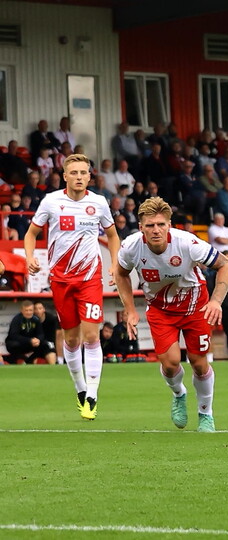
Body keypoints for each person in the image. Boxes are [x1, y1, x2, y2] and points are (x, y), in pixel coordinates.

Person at [114, 197, 228, 432]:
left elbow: (226, 265)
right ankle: (179, 394)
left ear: (169, 225)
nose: (156, 230)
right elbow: (120, 274)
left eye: (161, 224)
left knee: (199, 363)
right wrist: (129, 311)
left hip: (195, 306)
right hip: (160, 309)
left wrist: (216, 301)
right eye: (150, 225)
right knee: (170, 364)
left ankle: (205, 414)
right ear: (141, 228)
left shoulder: (188, 243)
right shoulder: (131, 247)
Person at [24, 153, 120, 420]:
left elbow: (113, 236)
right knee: (71, 339)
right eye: (74, 172)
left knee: (91, 336)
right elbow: (31, 233)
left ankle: (92, 395)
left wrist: (114, 264)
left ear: (90, 176)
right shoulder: (52, 202)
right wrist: (30, 257)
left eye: (83, 173)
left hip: (89, 278)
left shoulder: (99, 203)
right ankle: (80, 389)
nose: (79, 177)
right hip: (61, 280)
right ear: (64, 176)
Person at [5, 300, 55, 364]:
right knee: (14, 345)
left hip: (32, 343)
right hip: (18, 344)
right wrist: (29, 340)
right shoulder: (17, 319)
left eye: (30, 310)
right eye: (26, 310)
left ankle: (53, 365)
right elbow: (14, 335)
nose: (28, 312)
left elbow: (40, 333)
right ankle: (19, 360)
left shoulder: (36, 319)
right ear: (22, 310)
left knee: (47, 345)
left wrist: (38, 340)